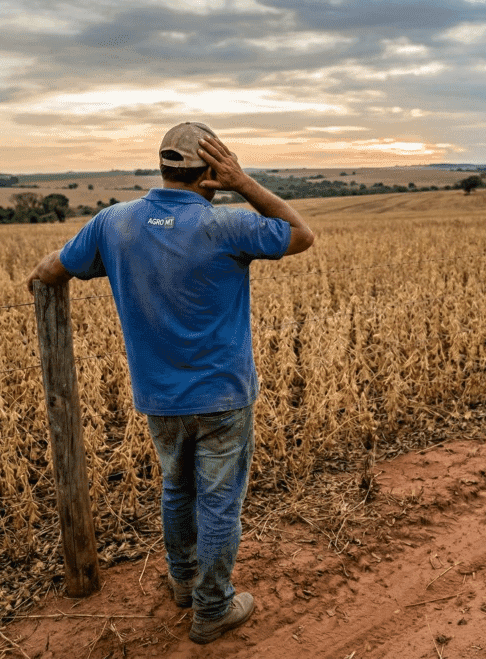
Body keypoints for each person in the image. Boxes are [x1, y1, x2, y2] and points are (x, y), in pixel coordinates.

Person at [25, 122, 314, 644]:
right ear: (211, 173)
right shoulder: (226, 226)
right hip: (223, 396)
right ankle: (212, 609)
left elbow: (51, 270)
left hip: (159, 398)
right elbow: (300, 234)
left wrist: (43, 280)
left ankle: (183, 583)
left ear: (162, 167)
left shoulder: (114, 224)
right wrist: (244, 182)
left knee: (176, 489)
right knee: (219, 502)